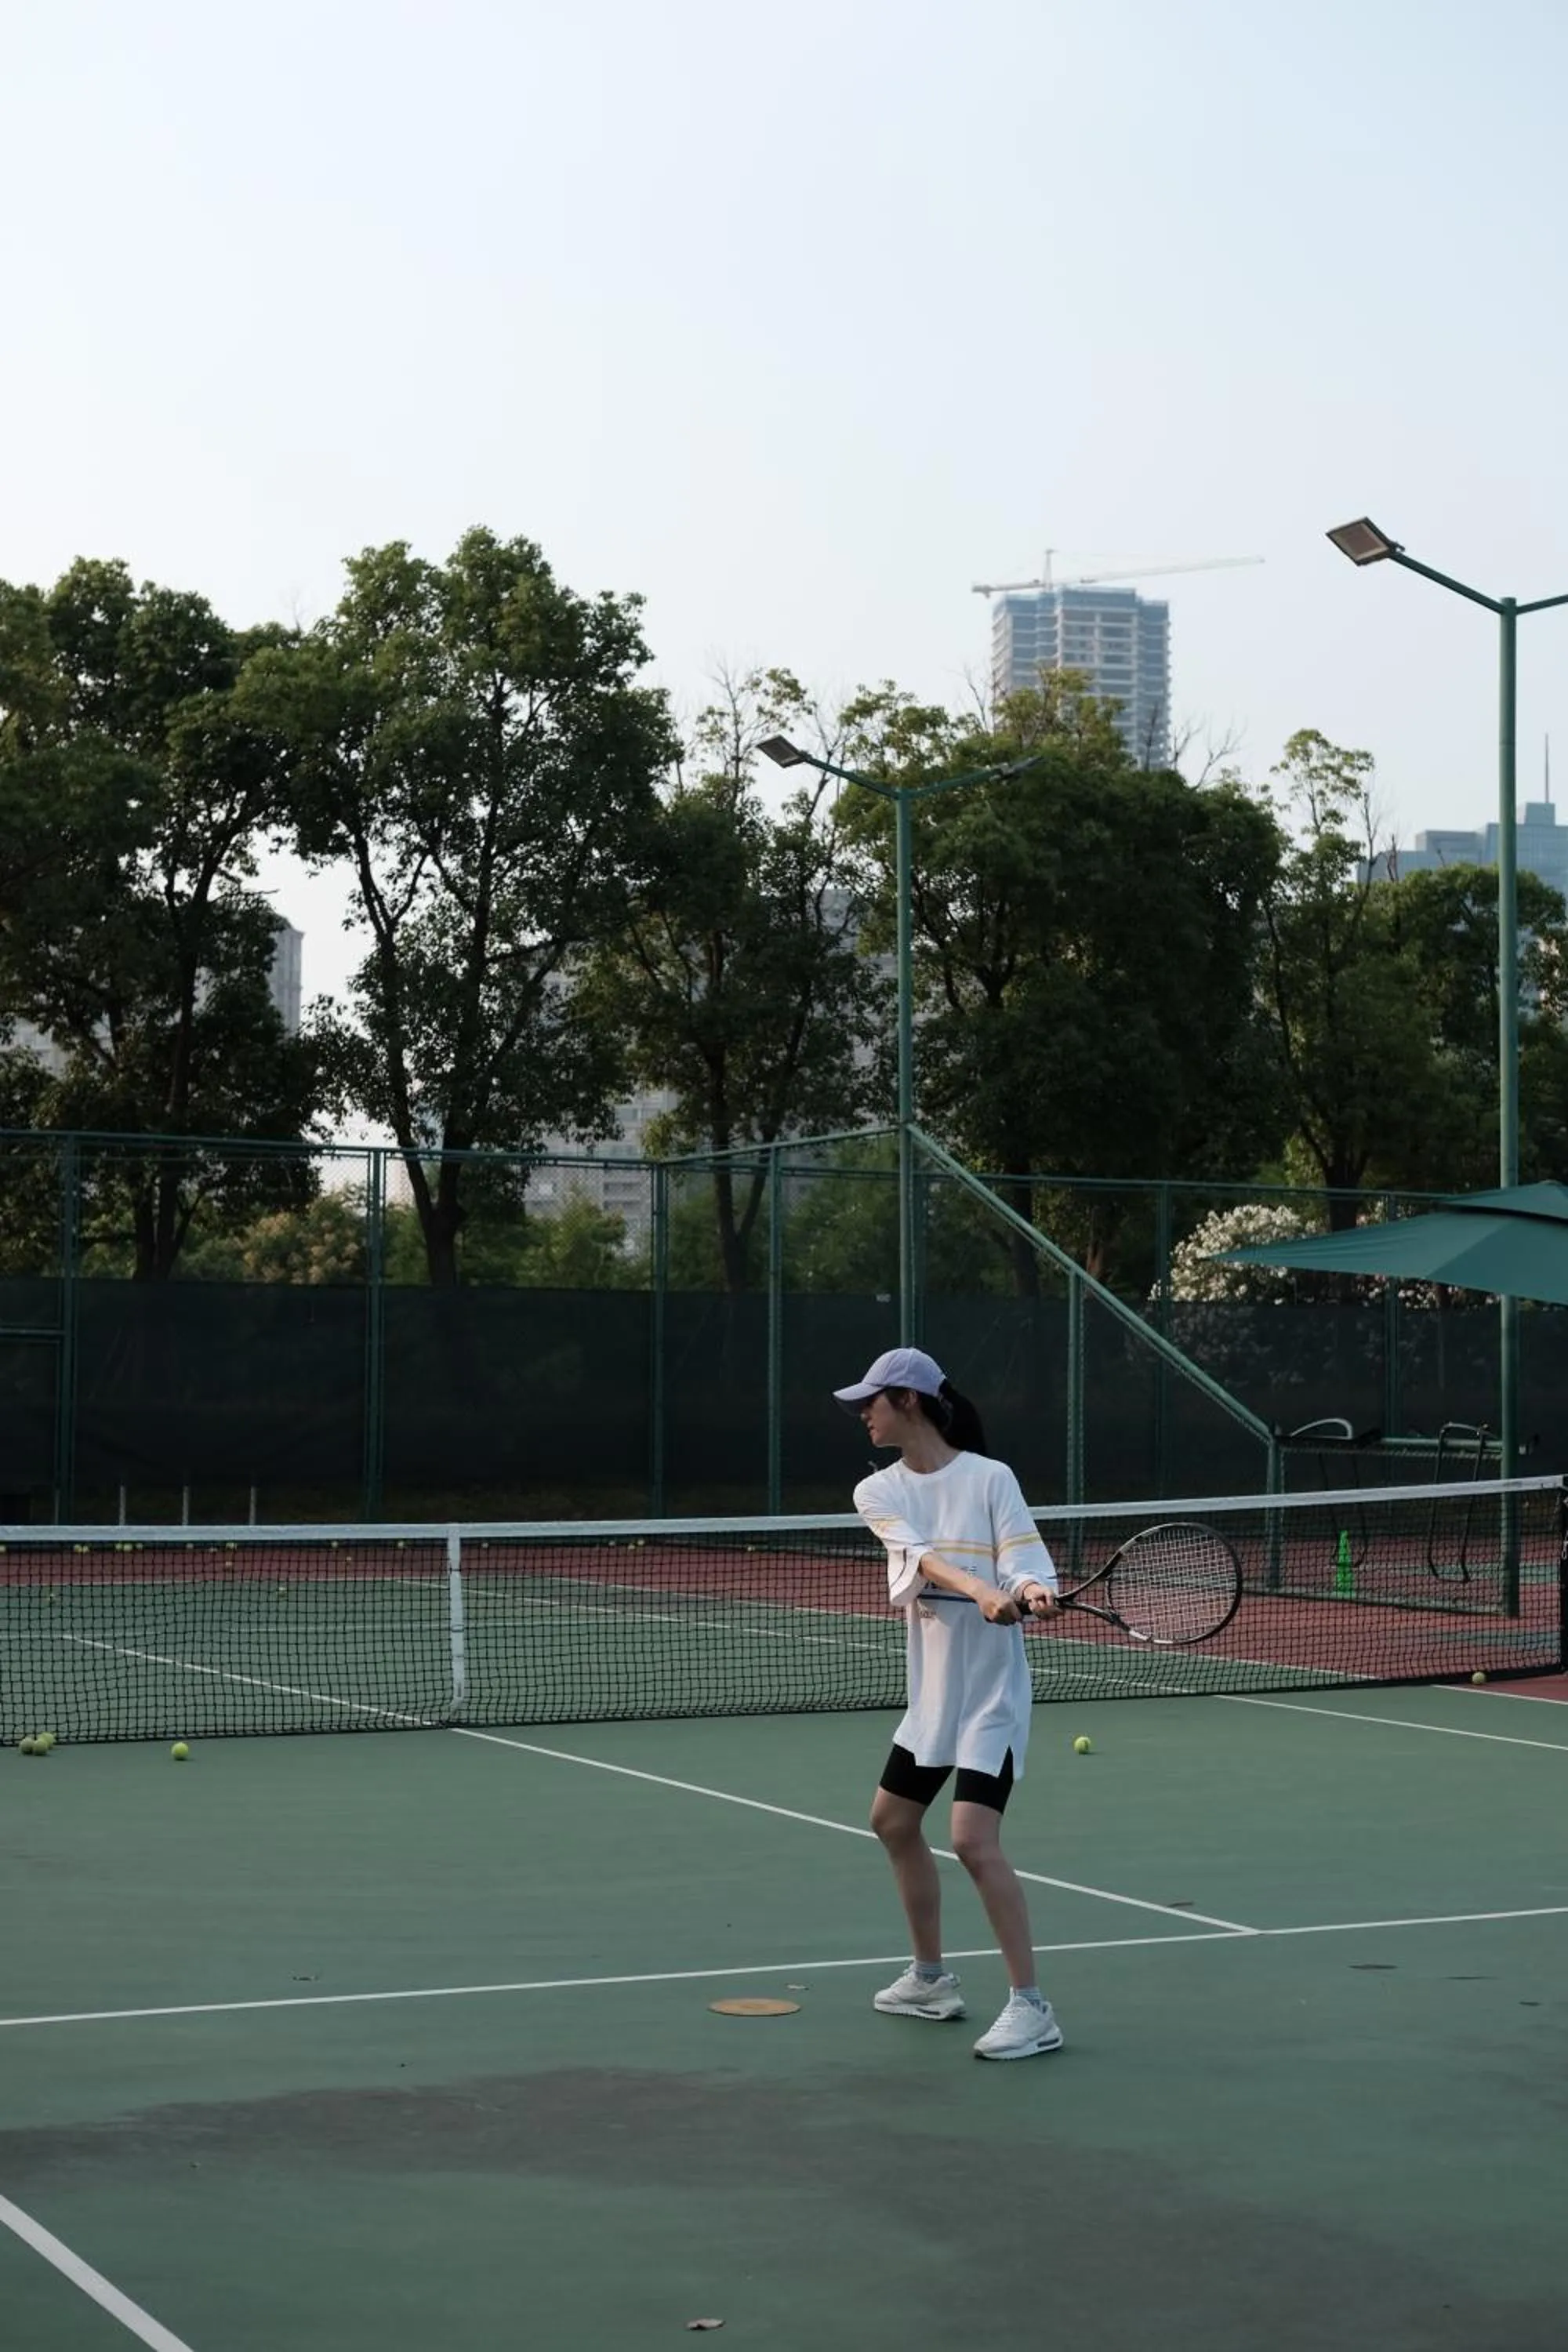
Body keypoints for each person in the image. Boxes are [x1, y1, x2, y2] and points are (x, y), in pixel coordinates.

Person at [833, 1345, 1063, 2061]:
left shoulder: (991, 1479)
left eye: (871, 1401)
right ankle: (929, 1979)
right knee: (893, 1821)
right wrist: (981, 1589)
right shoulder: (879, 1492)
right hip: (932, 1698)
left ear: (908, 1401)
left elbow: (1025, 1557)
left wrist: (1028, 1591)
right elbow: (920, 1558)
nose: (862, 1414)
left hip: (991, 1697)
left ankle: (1032, 2008)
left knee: (970, 1839)